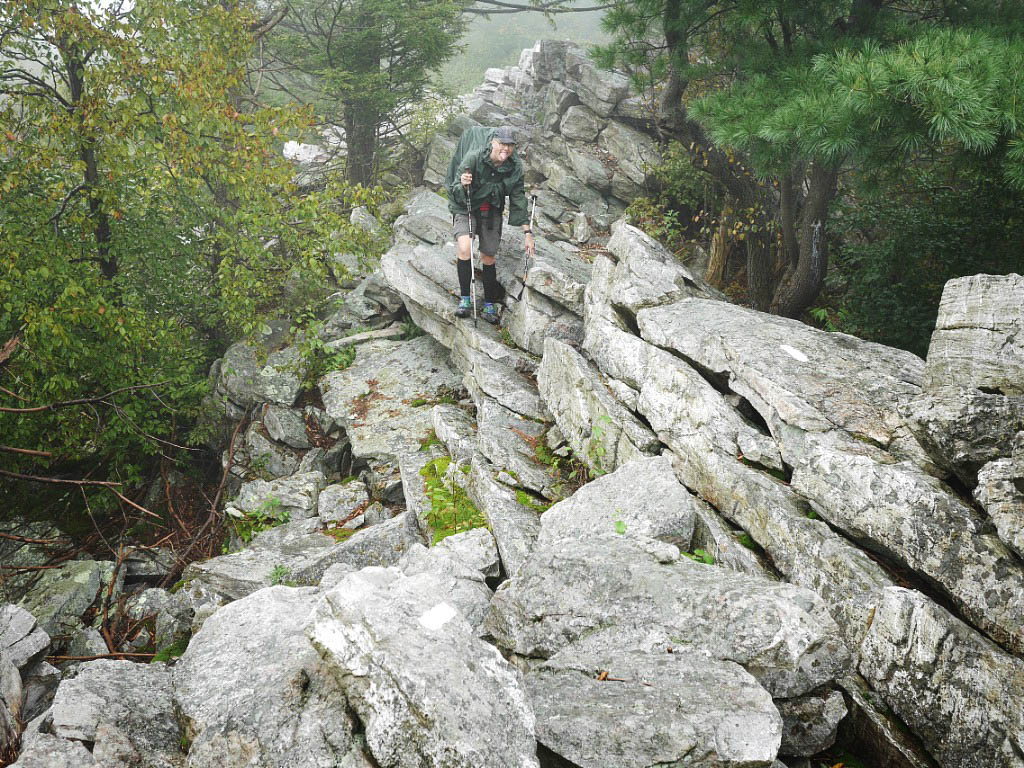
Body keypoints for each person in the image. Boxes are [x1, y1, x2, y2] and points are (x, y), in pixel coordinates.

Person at [447, 125, 535, 324]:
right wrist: (463, 183)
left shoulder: (514, 167)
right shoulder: (474, 157)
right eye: (502, 143)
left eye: (510, 145)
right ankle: (465, 300)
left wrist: (527, 232)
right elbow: (454, 189)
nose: (506, 149)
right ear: (493, 142)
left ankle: (488, 304)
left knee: (488, 256)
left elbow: (518, 197)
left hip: (491, 210)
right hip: (466, 207)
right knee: (464, 248)